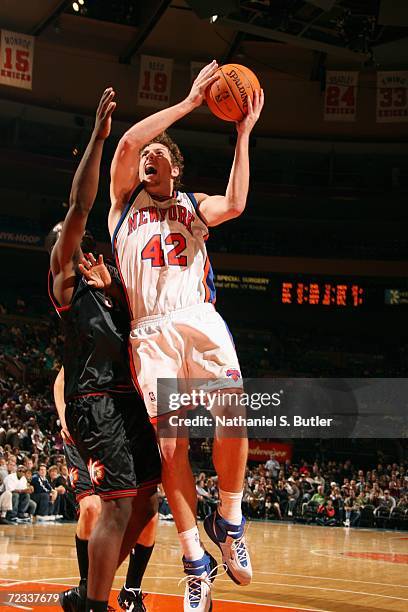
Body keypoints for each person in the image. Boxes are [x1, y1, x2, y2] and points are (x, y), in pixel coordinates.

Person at [109, 60, 264, 611]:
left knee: (235, 413)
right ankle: (195, 560)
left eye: (159, 154)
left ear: (175, 166)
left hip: (197, 317)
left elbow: (239, 203)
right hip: (150, 334)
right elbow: (128, 140)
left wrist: (243, 134)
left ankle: (230, 517)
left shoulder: (194, 207)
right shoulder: (124, 205)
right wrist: (192, 102)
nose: (148, 156)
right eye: (146, 156)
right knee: (173, 446)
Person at [47, 88, 161, 612]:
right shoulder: (66, 286)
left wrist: (116, 290)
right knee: (113, 507)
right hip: (96, 403)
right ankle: (94, 604)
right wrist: (98, 138)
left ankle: (84, 593)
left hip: (131, 400)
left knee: (147, 500)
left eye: (69, 241)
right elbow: (80, 205)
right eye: (61, 242)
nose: (66, 244)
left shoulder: (111, 286)